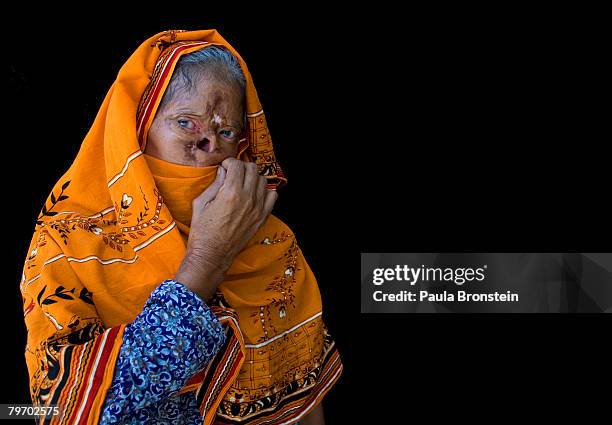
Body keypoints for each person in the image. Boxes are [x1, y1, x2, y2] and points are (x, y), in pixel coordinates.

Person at [20, 29, 342, 424]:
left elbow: (305, 407)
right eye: (186, 122)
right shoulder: (70, 242)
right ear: (136, 132)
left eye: (226, 132)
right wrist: (207, 259)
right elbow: (66, 411)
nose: (208, 141)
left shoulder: (271, 243)